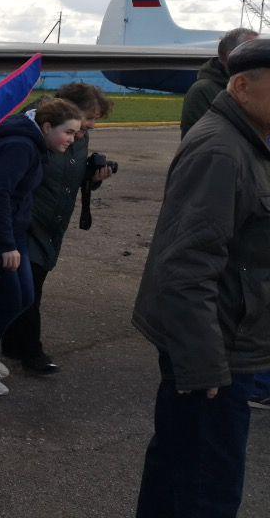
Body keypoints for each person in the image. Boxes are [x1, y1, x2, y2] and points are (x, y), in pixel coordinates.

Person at [133, 39, 270, 518]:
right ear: (242, 87)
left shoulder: (249, 138)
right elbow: (187, 265)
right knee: (207, 486)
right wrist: (204, 363)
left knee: (178, 466)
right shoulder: (221, 151)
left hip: (224, 335)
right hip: (217, 351)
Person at [0, 98, 84, 395]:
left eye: (76, 133)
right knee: (10, 298)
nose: (73, 139)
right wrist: (6, 245)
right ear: (47, 127)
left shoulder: (35, 145)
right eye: (68, 132)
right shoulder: (20, 147)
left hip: (12, 232)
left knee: (24, 296)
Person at [0, 84, 115, 374]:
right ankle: (31, 353)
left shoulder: (77, 136)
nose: (90, 127)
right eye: (90, 118)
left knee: (24, 288)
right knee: (30, 290)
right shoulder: (32, 131)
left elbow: (66, 173)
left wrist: (93, 177)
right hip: (27, 223)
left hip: (51, 224)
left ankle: (9, 343)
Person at [180, 27, 258, 136]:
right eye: (253, 52)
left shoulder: (255, 87)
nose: (259, 59)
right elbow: (200, 140)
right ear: (231, 55)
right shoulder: (202, 91)